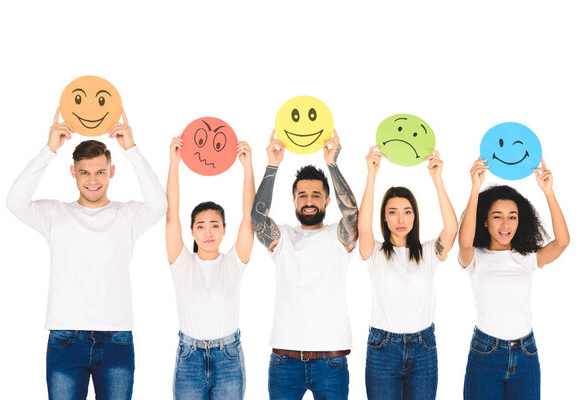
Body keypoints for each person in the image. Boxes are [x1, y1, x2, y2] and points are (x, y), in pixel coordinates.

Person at [6, 108, 167, 400]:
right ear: (74, 173)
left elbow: (158, 205)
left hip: (116, 338)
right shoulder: (55, 214)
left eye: (100, 172)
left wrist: (130, 148)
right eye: (85, 172)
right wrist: (49, 149)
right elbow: (15, 201)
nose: (93, 180)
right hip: (66, 338)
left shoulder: (127, 215)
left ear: (111, 172)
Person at [251, 129, 358, 400]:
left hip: (330, 362)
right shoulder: (284, 237)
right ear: (294, 200)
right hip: (284, 362)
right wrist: (273, 164)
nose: (309, 201)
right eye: (302, 195)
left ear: (326, 200)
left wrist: (332, 164)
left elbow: (353, 215)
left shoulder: (338, 236)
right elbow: (257, 218)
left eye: (315, 195)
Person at [458, 158, 570, 400]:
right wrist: (475, 188)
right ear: (485, 221)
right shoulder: (475, 257)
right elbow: (464, 242)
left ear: (521, 221)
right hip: (485, 353)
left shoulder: (527, 257)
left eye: (513, 216)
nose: (506, 224)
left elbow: (562, 242)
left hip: (525, 353)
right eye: (497, 216)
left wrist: (548, 191)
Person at [358, 146, 458, 399]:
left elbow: (451, 229)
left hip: (423, 347)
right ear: (384, 218)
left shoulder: (427, 253)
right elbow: (364, 229)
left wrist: (437, 179)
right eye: (392, 212)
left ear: (415, 216)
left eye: (407, 211)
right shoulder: (376, 252)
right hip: (383, 348)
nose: (400, 219)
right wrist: (371, 176)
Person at [165, 136, 255, 399]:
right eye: (200, 226)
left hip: (228, 357)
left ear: (224, 230)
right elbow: (171, 215)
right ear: (191, 231)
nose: (208, 232)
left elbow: (249, 218)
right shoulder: (182, 263)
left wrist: (248, 169)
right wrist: (174, 163)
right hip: (189, 358)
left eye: (215, 225)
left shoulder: (233, 263)